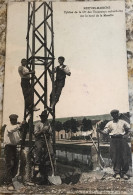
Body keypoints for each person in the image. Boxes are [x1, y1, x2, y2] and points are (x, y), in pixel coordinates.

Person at [98, 109, 131, 180]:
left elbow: (129, 129)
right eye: (113, 114)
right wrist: (100, 131)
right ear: (112, 115)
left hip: (122, 140)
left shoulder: (123, 122)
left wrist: (126, 135)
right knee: (115, 156)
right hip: (113, 140)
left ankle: (124, 173)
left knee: (124, 156)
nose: (115, 115)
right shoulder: (109, 123)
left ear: (118, 114)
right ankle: (117, 173)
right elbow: (106, 132)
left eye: (116, 114)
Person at [4, 114, 23, 190]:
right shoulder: (9, 126)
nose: (14, 121)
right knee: (10, 164)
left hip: (14, 147)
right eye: (13, 120)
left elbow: (18, 137)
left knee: (15, 164)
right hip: (9, 147)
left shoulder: (16, 127)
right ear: (10, 120)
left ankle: (13, 180)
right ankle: (8, 183)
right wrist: (20, 125)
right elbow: (11, 130)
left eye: (15, 120)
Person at [33, 109, 54, 183]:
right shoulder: (37, 124)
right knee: (39, 149)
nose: (44, 118)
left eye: (45, 117)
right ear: (41, 117)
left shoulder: (48, 124)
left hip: (46, 139)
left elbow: (50, 132)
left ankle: (49, 163)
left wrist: (47, 132)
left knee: (51, 152)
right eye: (43, 117)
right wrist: (42, 131)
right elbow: (35, 134)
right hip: (39, 139)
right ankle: (37, 163)